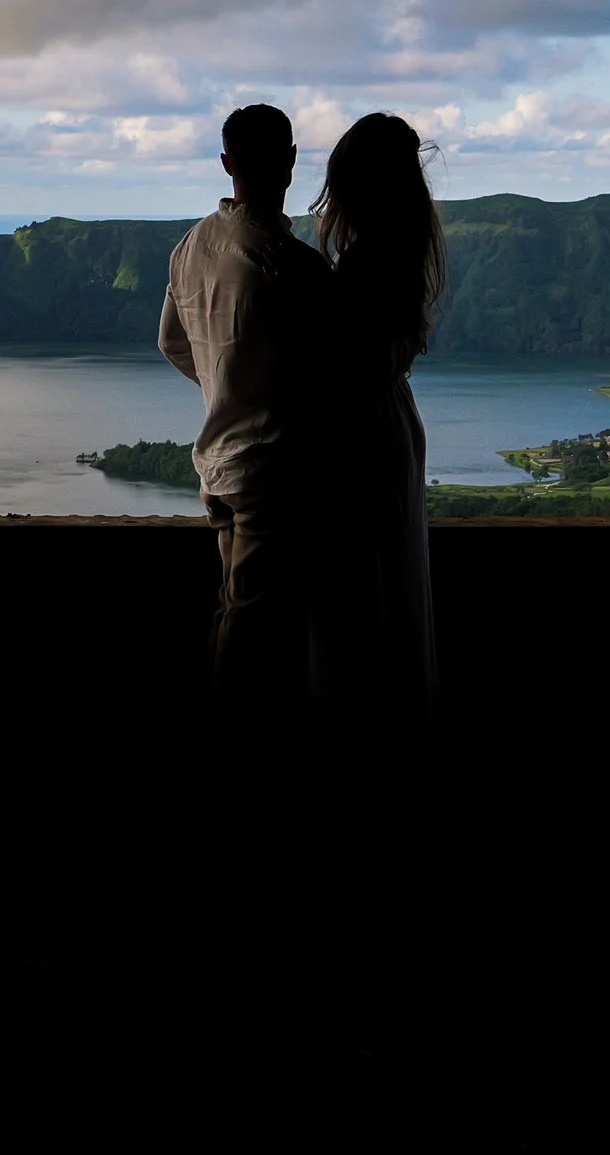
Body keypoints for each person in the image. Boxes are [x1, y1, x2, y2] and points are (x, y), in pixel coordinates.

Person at [159, 104, 335, 742]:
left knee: (238, 607)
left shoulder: (191, 246)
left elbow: (173, 344)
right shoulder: (293, 265)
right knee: (258, 624)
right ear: (290, 161)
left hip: (217, 464)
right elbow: (339, 373)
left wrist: (226, 389)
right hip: (274, 471)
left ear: (227, 164)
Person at [301, 111, 443, 749]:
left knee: (359, 598)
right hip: (388, 430)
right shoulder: (398, 251)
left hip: (360, 441)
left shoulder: (361, 266)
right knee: (392, 590)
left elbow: (339, 375)